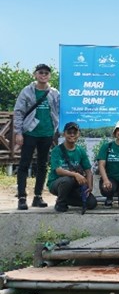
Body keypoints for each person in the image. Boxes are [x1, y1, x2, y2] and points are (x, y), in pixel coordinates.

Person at [14, 63, 60, 210]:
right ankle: (22, 197)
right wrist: (18, 132)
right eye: (40, 72)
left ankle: (38, 196)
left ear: (49, 76)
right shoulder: (27, 91)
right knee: (24, 165)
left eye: (46, 73)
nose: (43, 75)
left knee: (42, 165)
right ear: (35, 74)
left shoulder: (54, 93)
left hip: (47, 133)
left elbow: (60, 110)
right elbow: (18, 112)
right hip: (30, 132)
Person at [47, 122, 97, 213]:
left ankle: (66, 199)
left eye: (75, 132)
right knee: (67, 180)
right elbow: (58, 170)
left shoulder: (80, 151)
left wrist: (89, 186)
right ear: (64, 134)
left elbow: (88, 171)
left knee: (92, 203)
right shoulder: (57, 150)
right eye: (69, 132)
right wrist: (75, 174)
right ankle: (60, 203)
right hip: (57, 183)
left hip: (75, 185)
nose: (72, 135)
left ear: (78, 134)